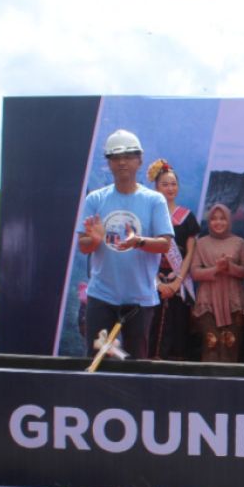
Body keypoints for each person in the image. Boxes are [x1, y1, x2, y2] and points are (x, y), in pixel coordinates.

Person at [76, 129, 173, 360]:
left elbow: (164, 244)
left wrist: (138, 241)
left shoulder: (154, 200)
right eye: (116, 158)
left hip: (140, 299)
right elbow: (83, 245)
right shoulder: (95, 199)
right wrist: (96, 240)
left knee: (134, 365)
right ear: (109, 163)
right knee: (97, 359)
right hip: (101, 297)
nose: (122, 163)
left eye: (128, 157)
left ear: (139, 160)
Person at [146, 159, 200, 360]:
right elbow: (144, 252)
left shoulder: (187, 217)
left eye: (173, 184)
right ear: (156, 187)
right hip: (154, 282)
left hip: (179, 284)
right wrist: (158, 283)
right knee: (151, 331)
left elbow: (189, 254)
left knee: (177, 333)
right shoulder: (150, 216)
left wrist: (177, 282)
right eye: (165, 184)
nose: (170, 188)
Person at [191, 203, 244, 362]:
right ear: (209, 222)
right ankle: (207, 386)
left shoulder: (239, 243)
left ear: (229, 221)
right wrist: (216, 269)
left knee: (230, 343)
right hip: (208, 301)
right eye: (214, 219)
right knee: (211, 342)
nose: (218, 222)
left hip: (233, 300)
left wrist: (229, 267)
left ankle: (230, 385)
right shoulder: (201, 243)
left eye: (223, 218)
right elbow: (195, 273)